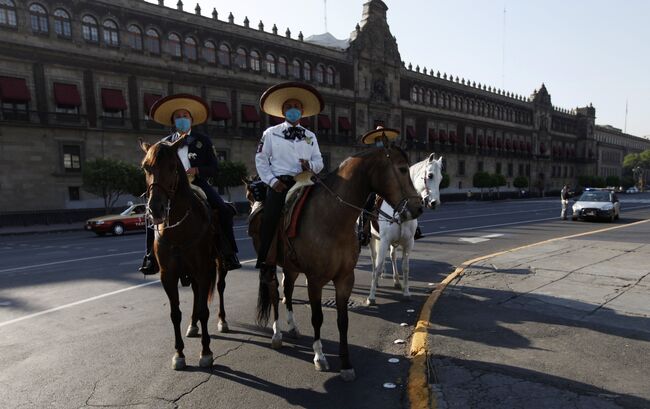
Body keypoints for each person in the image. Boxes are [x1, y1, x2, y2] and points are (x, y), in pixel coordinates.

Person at [139, 94, 241, 274]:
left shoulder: (203, 141)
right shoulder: (163, 144)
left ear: (191, 119)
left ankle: (229, 253)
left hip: (197, 183)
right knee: (152, 215)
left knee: (224, 210)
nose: (182, 119)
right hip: (171, 188)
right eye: (178, 117)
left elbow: (214, 168)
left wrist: (197, 170)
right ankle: (150, 257)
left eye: (185, 116)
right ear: (173, 121)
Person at [255, 82, 325, 276]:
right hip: (281, 182)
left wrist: (310, 166)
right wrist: (271, 181)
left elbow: (319, 161)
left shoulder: (310, 136)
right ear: (282, 111)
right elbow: (261, 159)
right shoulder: (270, 133)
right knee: (269, 217)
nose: (293, 110)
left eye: (296, 107)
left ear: (302, 111)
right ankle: (265, 259)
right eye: (288, 107)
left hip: (306, 180)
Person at [356, 126, 423, 245]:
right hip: (375, 187)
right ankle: (364, 231)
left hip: (390, 186)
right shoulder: (372, 155)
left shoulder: (391, 154)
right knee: (367, 203)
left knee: (409, 198)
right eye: (378, 140)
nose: (380, 142)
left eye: (383, 139)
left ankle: (415, 229)